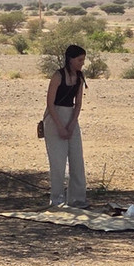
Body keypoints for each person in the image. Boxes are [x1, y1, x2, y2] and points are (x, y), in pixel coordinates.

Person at [42, 45, 88, 208]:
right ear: (70, 59)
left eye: (83, 60)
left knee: (77, 158)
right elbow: (50, 103)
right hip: (54, 117)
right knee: (58, 161)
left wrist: (72, 124)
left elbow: (78, 104)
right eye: (79, 60)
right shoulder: (58, 76)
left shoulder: (80, 77)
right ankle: (57, 199)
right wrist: (60, 126)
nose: (82, 63)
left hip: (71, 118)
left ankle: (77, 198)